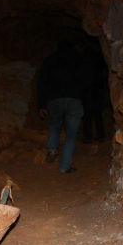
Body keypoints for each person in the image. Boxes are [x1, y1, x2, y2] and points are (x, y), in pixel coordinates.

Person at [37, 39, 90, 173]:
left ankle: (52, 150)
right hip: (74, 99)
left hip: (54, 99)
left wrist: (41, 104)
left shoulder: (50, 60)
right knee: (71, 134)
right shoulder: (79, 60)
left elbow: (42, 82)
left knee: (54, 125)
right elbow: (86, 81)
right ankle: (64, 167)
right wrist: (86, 102)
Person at [81, 42, 107, 143]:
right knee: (98, 114)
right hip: (97, 90)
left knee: (87, 115)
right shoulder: (99, 59)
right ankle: (100, 136)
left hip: (87, 91)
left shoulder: (83, 60)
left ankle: (88, 137)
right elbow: (104, 74)